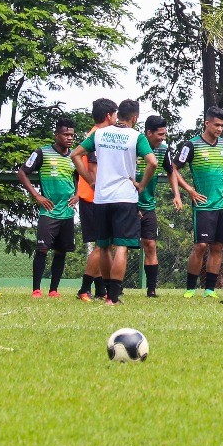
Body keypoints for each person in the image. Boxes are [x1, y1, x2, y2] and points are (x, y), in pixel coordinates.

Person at [71, 99, 156, 305]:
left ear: (117, 116)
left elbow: (75, 154)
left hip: (102, 197)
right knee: (122, 247)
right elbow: (152, 162)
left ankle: (107, 293)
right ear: (135, 118)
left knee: (104, 246)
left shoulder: (99, 134)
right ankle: (114, 297)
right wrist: (141, 184)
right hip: (125, 197)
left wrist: (91, 180)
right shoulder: (136, 136)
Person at [175, 106, 223, 299]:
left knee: (218, 246)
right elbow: (174, 169)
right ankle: (191, 288)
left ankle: (210, 289)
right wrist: (189, 190)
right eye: (216, 125)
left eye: (222, 126)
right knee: (201, 246)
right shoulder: (190, 145)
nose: (219, 129)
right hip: (202, 205)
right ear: (207, 123)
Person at [18, 117, 78, 298]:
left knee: (61, 251)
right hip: (49, 211)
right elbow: (22, 173)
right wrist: (37, 196)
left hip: (67, 212)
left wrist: (78, 194)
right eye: (66, 134)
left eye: (72, 135)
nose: (69, 138)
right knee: (42, 250)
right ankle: (36, 289)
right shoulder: (42, 153)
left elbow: (80, 177)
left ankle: (54, 290)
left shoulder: (75, 155)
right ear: (56, 135)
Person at [76, 99, 116, 302]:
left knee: (105, 245)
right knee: (102, 245)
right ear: (109, 115)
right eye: (115, 114)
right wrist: (97, 187)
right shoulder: (98, 136)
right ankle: (84, 289)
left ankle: (101, 290)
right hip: (94, 198)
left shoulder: (94, 134)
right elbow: (93, 168)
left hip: (94, 197)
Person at [138, 115, 179, 297]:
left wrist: (177, 194)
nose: (163, 137)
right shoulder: (135, 146)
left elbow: (171, 172)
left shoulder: (163, 149)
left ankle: (151, 289)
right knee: (119, 246)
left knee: (150, 244)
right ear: (148, 133)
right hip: (127, 204)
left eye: (164, 134)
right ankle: (115, 287)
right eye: (160, 134)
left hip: (148, 205)